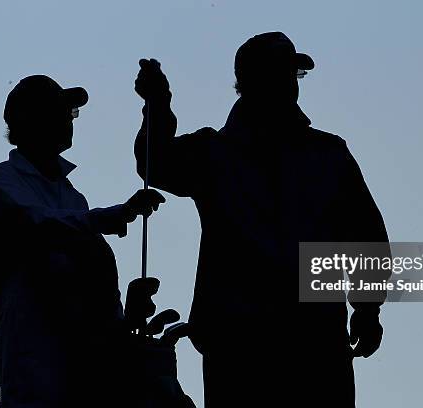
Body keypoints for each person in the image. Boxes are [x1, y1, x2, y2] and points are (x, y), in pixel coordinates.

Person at [134, 32, 390, 407]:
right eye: (281, 75)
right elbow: (156, 165)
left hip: (301, 343)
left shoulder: (324, 153)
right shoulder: (217, 155)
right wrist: (157, 106)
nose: (289, 85)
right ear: (251, 83)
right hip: (255, 344)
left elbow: (365, 235)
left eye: (292, 75)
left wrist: (368, 308)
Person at [0, 75, 165, 406]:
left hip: (83, 375)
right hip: (30, 369)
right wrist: (110, 216)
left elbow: (85, 278)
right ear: (29, 120)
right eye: (60, 111)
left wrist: (127, 318)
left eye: (70, 113)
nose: (69, 120)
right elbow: (37, 226)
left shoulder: (72, 198)